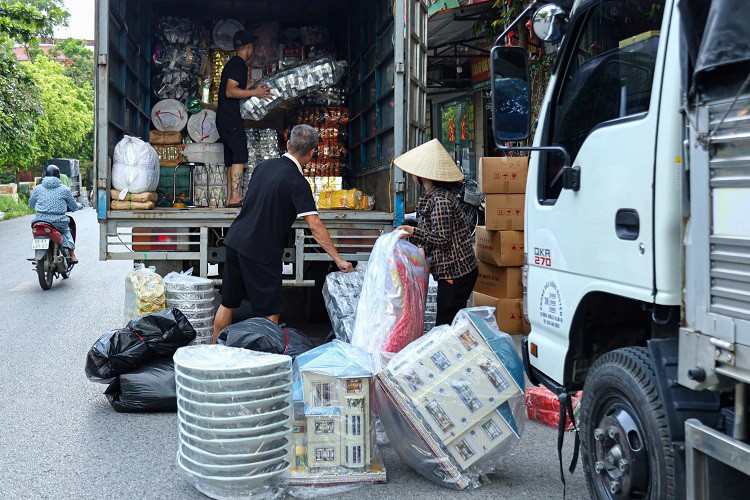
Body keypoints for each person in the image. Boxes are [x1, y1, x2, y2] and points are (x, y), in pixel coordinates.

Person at [214, 125, 355, 341]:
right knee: (270, 312)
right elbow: (315, 225)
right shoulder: (298, 183)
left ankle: (214, 352)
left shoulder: (263, 167)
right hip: (261, 251)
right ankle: (268, 365)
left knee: (227, 304)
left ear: (288, 144)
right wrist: (338, 259)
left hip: (235, 241)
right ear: (311, 154)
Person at [394, 139, 478, 326]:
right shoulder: (433, 196)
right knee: (448, 323)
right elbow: (430, 227)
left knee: (445, 326)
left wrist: (412, 232)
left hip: (456, 273)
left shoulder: (440, 200)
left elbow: (442, 239)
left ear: (422, 176)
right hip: (452, 272)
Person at [216, 30, 274, 207]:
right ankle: (235, 196)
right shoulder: (238, 64)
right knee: (239, 155)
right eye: (253, 47)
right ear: (249, 48)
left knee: (231, 158)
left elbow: (237, 86)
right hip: (231, 118)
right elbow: (231, 90)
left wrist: (254, 85)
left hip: (224, 119)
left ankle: (229, 198)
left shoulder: (233, 64)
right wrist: (255, 92)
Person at [29, 165, 85, 263]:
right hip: (58, 221)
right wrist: (80, 206)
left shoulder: (38, 189)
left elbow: (31, 204)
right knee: (66, 231)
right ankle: (72, 255)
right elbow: (73, 206)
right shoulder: (64, 189)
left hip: (39, 220)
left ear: (45, 175)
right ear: (58, 176)